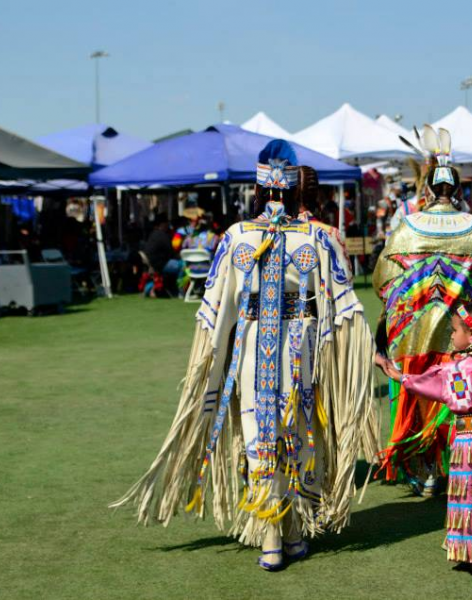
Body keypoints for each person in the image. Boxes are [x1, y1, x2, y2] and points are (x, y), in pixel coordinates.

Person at [111, 140, 380, 571]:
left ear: (257, 190)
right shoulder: (313, 236)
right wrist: (370, 354)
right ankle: (288, 533)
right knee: (296, 429)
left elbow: (214, 310)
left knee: (261, 431)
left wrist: (210, 361)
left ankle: (275, 538)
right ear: (294, 190)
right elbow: (344, 306)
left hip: (252, 348)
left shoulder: (237, 236)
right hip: (299, 349)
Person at [373, 126, 472, 496]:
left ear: (429, 189)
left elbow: (383, 279)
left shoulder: (407, 228)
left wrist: (402, 314)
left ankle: (428, 472)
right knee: (457, 394)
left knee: (420, 393)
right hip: (461, 333)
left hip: (413, 335)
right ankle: (458, 467)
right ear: (458, 190)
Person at [376, 303, 472, 578]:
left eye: (454, 330)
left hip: (469, 446)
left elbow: (428, 384)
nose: (451, 336)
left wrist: (399, 376)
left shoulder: (457, 370)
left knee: (470, 498)